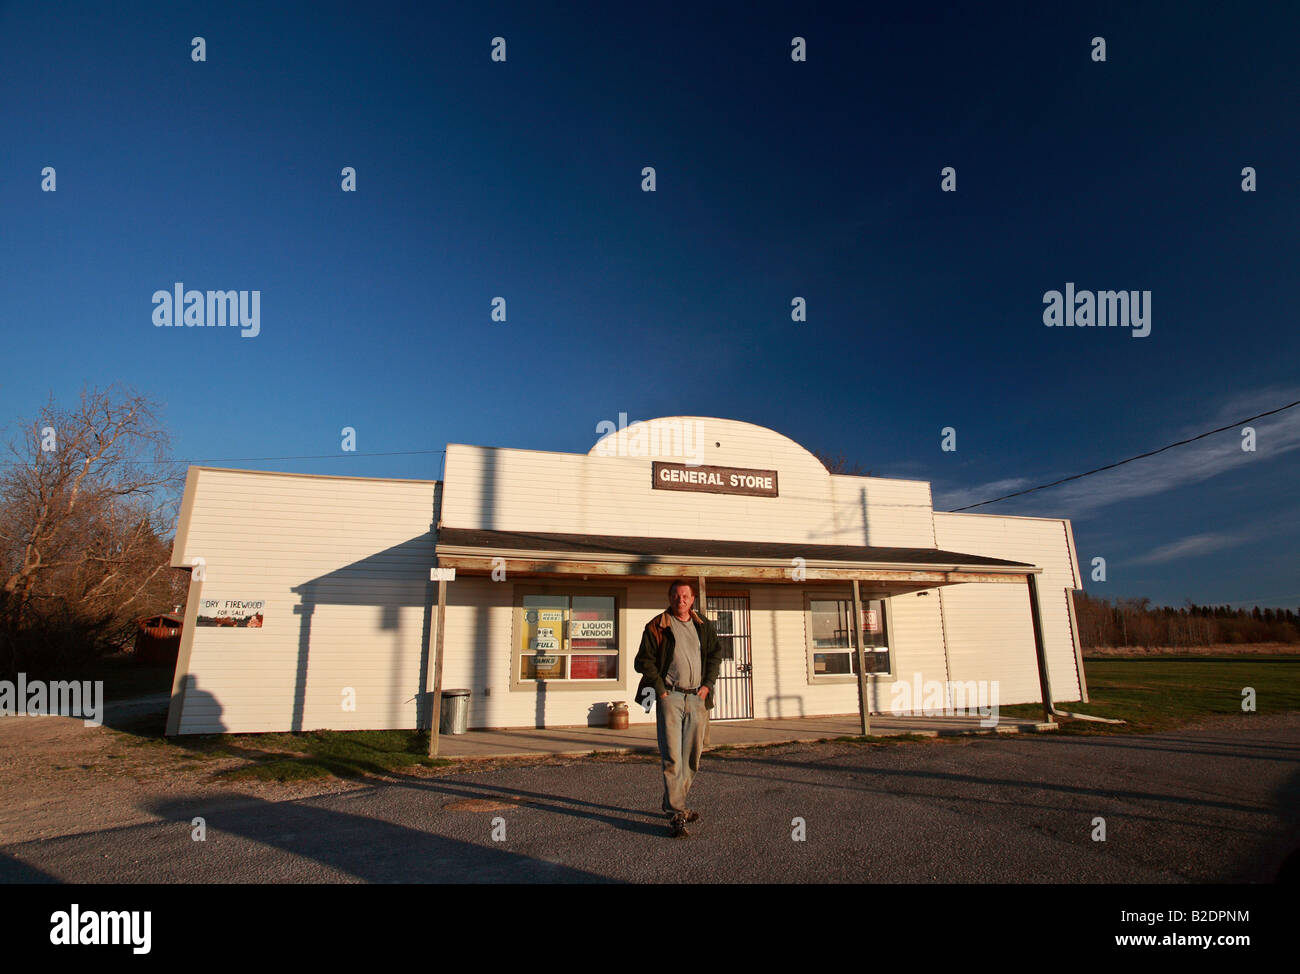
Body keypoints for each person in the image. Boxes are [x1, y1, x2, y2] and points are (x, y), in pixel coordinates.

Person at [634, 579, 724, 837]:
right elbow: (643, 661)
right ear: (670, 597)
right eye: (676, 595)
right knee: (672, 755)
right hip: (670, 697)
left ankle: (674, 802)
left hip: (698, 698)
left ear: (692, 599)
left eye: (685, 596)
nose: (680, 600)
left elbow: (715, 655)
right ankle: (676, 812)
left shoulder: (703, 626)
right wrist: (660, 690)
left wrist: (708, 684)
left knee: (692, 756)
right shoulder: (657, 626)